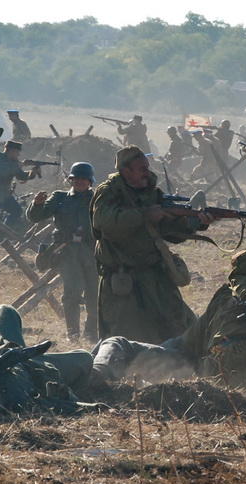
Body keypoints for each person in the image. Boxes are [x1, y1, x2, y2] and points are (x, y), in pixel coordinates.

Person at [90, 250, 246, 404]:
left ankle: (98, 373)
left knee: (117, 343)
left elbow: (190, 340)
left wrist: (158, 355)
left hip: (214, 369)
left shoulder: (223, 295)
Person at [89, 146, 216, 343]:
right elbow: (103, 222)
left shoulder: (152, 193)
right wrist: (144, 215)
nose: (146, 172)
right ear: (125, 171)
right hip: (124, 281)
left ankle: (179, 370)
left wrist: (196, 223)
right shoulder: (108, 192)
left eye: (147, 167)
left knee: (179, 329)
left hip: (155, 276)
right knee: (127, 339)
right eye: (141, 168)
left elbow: (171, 233)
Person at [27, 162, 99, 342]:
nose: (80, 182)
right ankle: (72, 334)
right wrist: (37, 204)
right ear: (71, 180)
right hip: (67, 251)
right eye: (76, 179)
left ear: (90, 181)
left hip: (92, 251)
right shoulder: (60, 197)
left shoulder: (98, 198)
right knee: (72, 292)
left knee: (94, 294)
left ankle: (91, 332)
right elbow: (36, 217)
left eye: (84, 179)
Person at [0, 140, 39, 233]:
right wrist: (19, 165)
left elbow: (21, 176)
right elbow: (2, 172)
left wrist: (33, 173)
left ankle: (2, 234)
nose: (18, 155)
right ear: (10, 151)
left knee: (16, 211)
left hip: (4, 195)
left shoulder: (14, 162)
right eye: (17, 152)